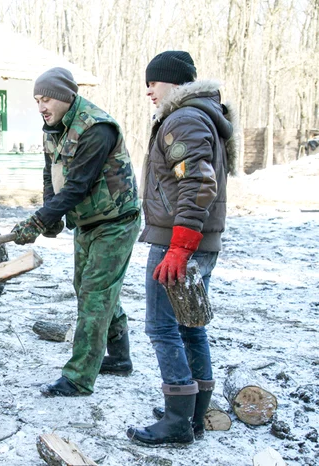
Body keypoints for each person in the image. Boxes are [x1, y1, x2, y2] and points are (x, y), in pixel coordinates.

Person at [126, 51, 236, 446]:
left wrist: (180, 246)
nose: (148, 90)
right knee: (191, 322)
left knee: (162, 325)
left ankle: (176, 421)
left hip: (179, 241)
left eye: (153, 82)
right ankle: (196, 412)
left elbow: (197, 184)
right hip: (195, 241)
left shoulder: (184, 118)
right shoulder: (200, 114)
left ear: (173, 82)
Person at [12, 67, 141, 397]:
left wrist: (38, 221)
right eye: (37, 100)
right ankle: (120, 357)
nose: (41, 107)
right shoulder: (52, 129)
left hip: (115, 222)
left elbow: (79, 186)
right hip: (87, 221)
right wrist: (50, 213)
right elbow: (49, 174)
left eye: (47, 100)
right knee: (88, 287)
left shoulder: (96, 128)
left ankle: (78, 378)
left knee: (96, 295)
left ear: (66, 97)